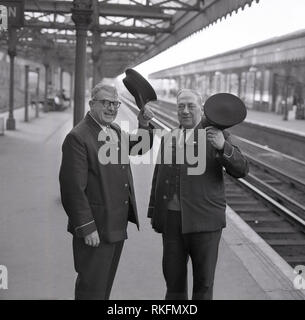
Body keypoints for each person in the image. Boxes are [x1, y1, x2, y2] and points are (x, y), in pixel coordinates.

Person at [147, 88, 249, 300]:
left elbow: (242, 169)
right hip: (173, 222)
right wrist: (156, 213)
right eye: (180, 106)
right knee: (173, 282)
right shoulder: (169, 137)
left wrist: (223, 146)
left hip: (205, 222)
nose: (185, 111)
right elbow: (159, 175)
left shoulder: (216, 135)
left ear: (201, 109)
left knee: (203, 284)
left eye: (190, 106)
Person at [59, 83, 154, 300]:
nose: (112, 108)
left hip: (115, 226)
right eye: (106, 103)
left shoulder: (114, 130)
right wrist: (86, 227)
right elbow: (72, 189)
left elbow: (139, 148)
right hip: (97, 228)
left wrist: (144, 123)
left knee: (104, 288)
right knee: (91, 290)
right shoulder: (78, 137)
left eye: (115, 104)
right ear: (92, 104)